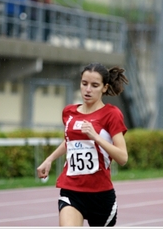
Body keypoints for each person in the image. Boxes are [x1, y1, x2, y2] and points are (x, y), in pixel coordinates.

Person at [36, 62, 129, 226]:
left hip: (100, 195)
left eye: (94, 85)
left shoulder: (111, 114)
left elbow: (123, 158)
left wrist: (96, 137)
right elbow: (70, 142)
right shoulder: (69, 112)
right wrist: (49, 159)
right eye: (84, 84)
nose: (88, 89)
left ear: (104, 88)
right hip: (72, 190)